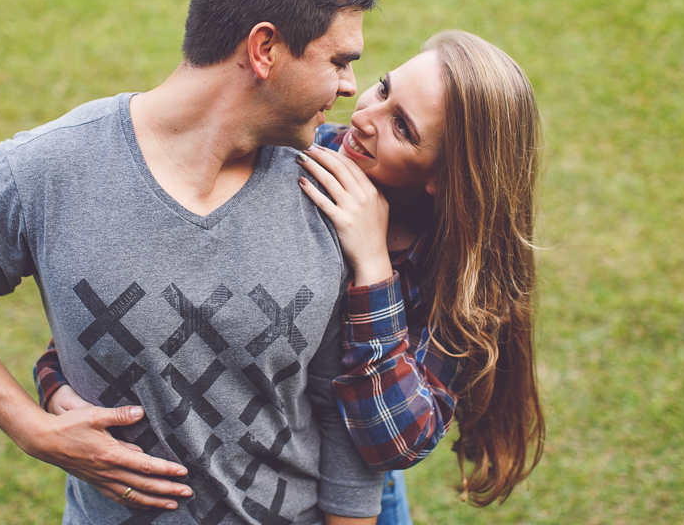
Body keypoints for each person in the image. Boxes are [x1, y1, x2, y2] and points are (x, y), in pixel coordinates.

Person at [0, 0, 386, 525]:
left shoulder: (333, 192)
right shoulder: (48, 169)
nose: (348, 87)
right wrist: (31, 428)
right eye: (338, 60)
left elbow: (344, 403)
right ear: (265, 49)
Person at [34, 30, 547, 525]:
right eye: (385, 88)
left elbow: (398, 439)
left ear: (444, 176)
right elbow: (163, 298)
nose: (365, 117)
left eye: (402, 128)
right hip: (270, 472)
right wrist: (57, 380)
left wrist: (373, 269)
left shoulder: (462, 276)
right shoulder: (297, 164)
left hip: (364, 485)